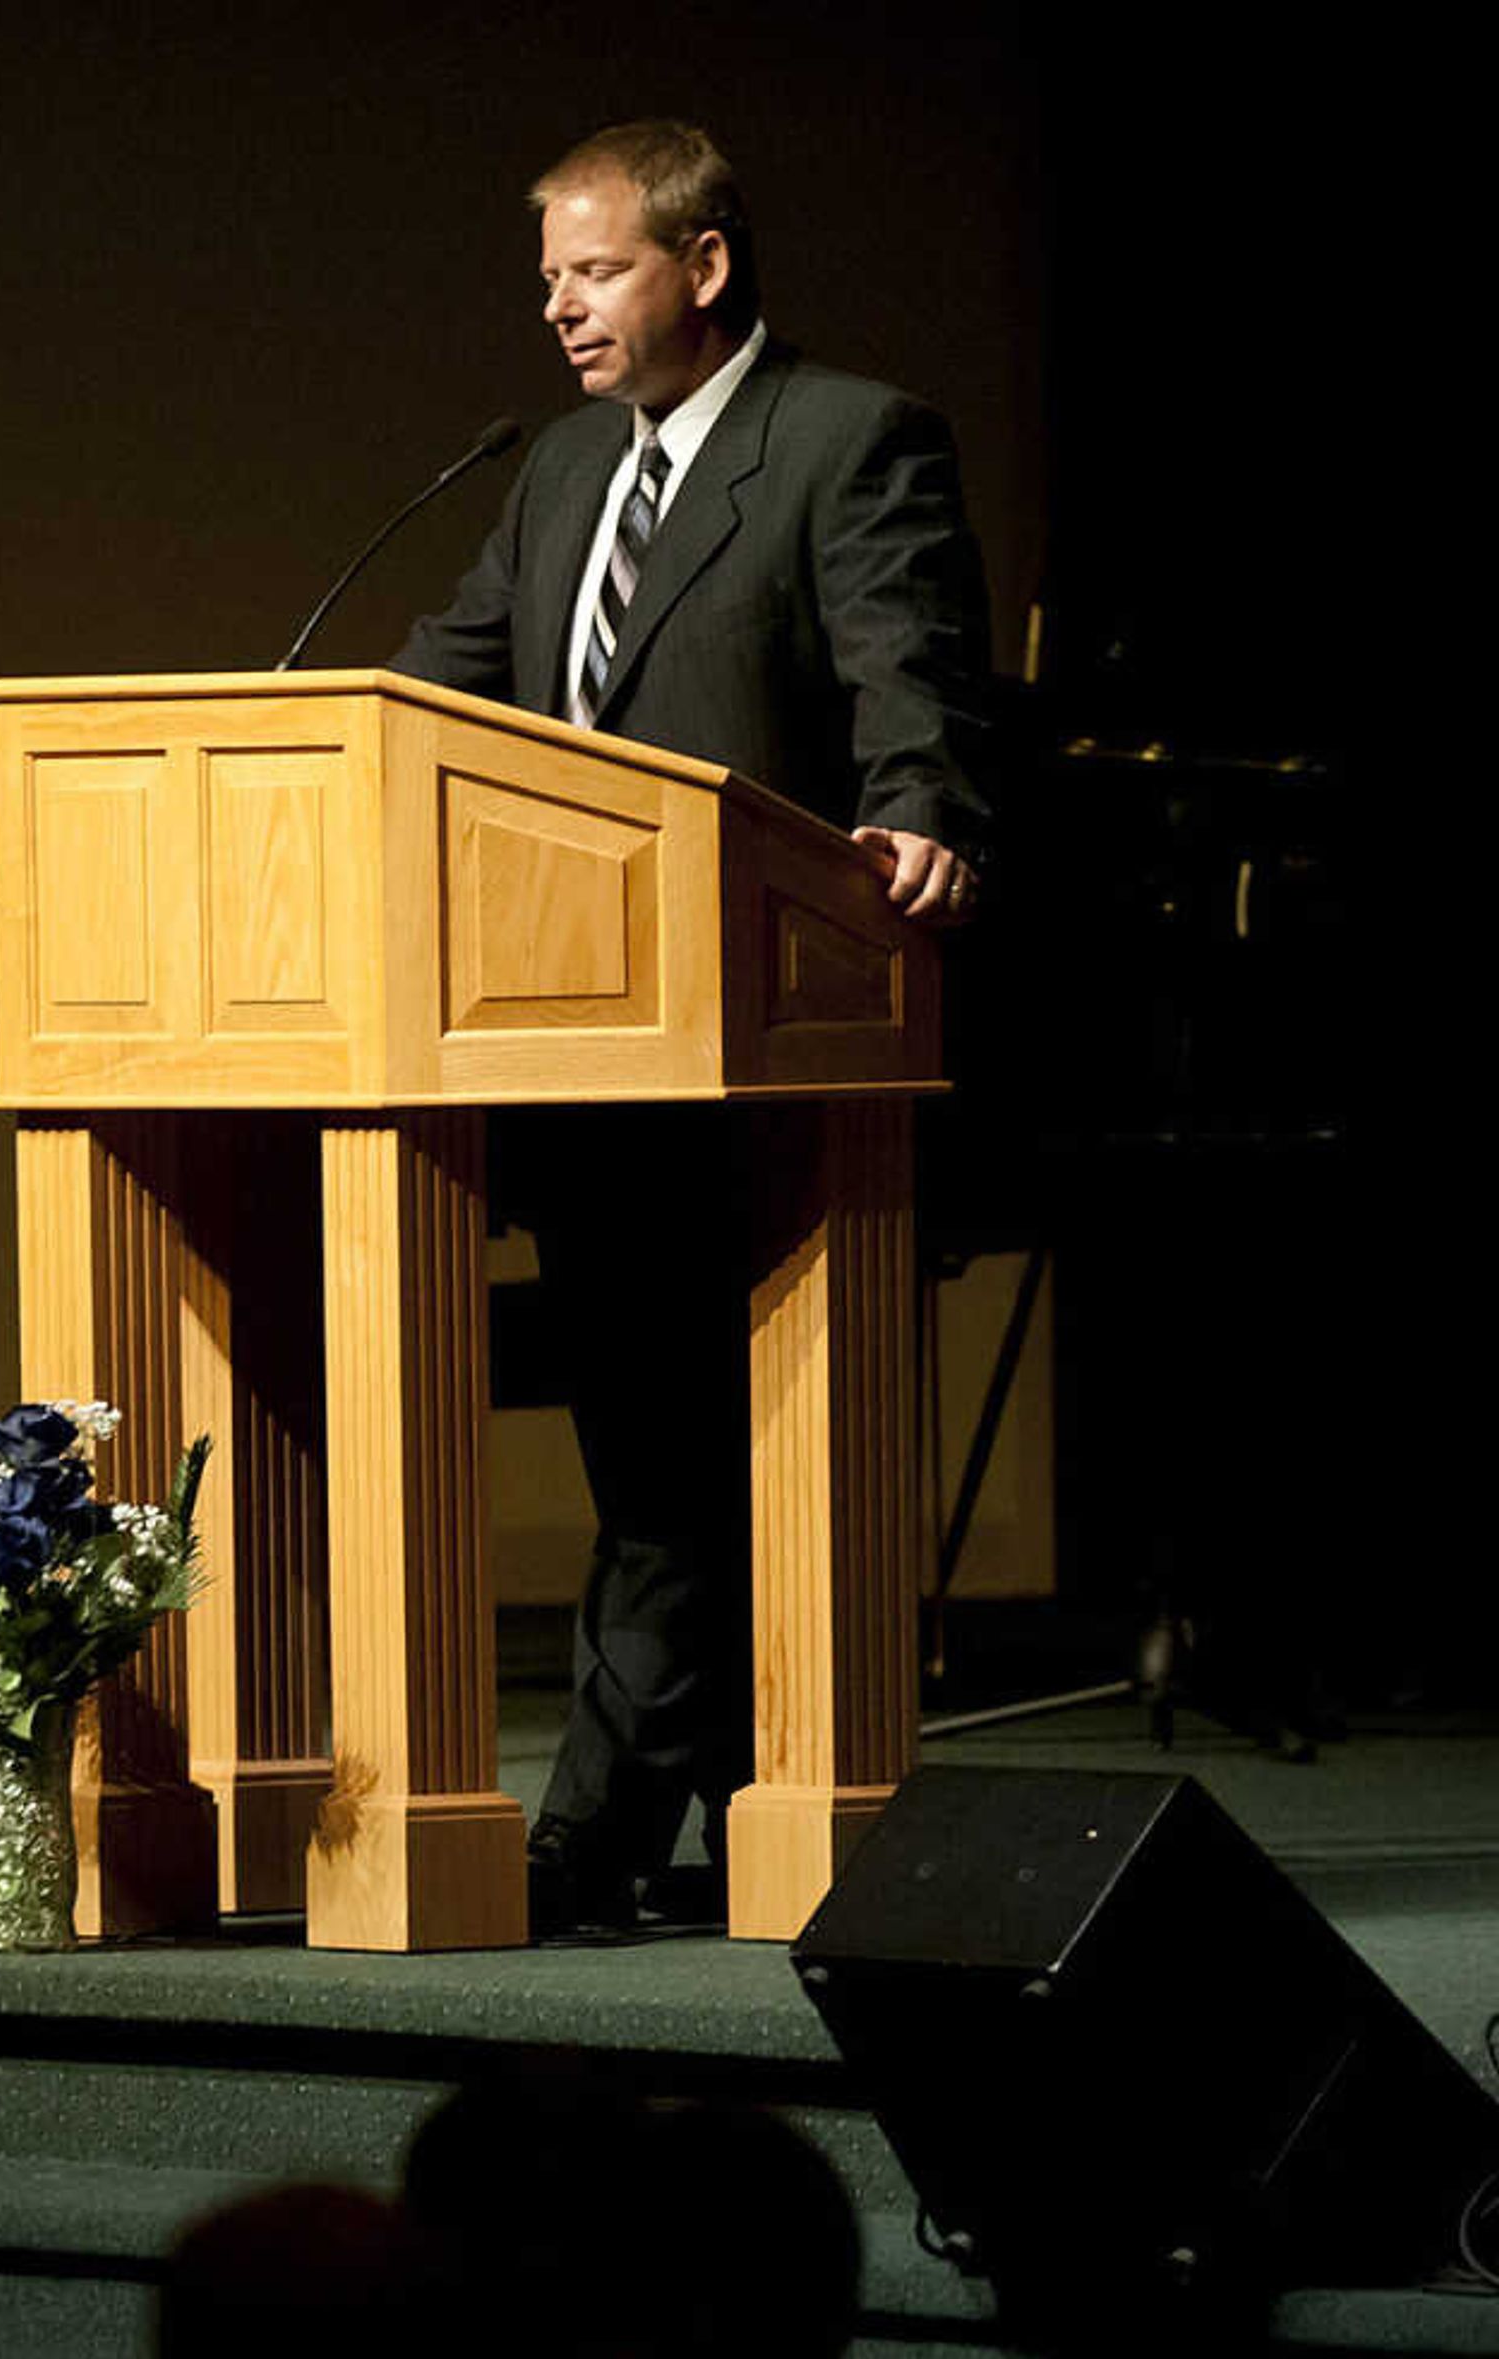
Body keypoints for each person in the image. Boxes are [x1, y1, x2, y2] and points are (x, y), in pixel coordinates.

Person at [387, 121, 994, 1935]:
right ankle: (693, 1804)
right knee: (653, 1455)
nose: (562, 309)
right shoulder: (565, 469)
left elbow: (913, 665)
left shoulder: (846, 437)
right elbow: (464, 669)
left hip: (764, 1032)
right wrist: (309, 742)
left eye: (597, 271)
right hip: (579, 1041)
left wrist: (928, 806)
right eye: (551, 280)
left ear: (704, 265)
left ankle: (593, 1827)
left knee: (684, 1469)